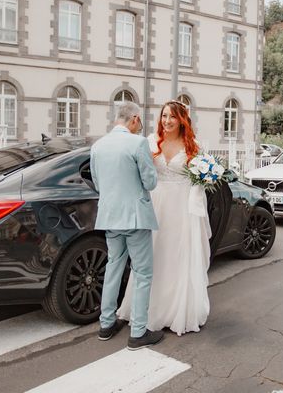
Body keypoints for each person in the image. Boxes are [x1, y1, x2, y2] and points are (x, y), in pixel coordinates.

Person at [118, 100, 212, 336]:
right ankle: (147, 312)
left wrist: (204, 184)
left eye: (172, 117)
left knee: (179, 256)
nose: (167, 121)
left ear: (182, 120)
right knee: (154, 256)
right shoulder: (150, 141)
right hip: (156, 205)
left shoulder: (194, 146)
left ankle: (178, 311)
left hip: (182, 209)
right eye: (164, 116)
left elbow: (200, 181)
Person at [90, 101, 164, 350]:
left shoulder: (98, 146)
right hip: (134, 217)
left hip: (110, 216)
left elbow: (98, 184)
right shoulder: (137, 143)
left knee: (113, 266)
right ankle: (138, 332)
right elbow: (150, 182)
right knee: (143, 272)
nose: (139, 125)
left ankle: (106, 324)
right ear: (134, 119)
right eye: (139, 121)